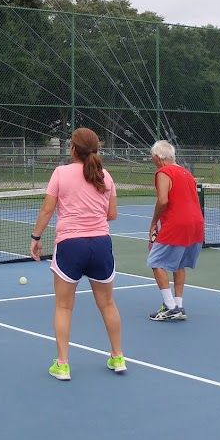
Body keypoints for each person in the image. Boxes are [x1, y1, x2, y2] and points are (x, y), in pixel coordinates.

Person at [29, 127, 125, 380]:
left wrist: (36, 238)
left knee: (63, 306)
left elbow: (47, 210)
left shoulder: (60, 173)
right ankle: (117, 357)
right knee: (107, 303)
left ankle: (62, 364)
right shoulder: (106, 176)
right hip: (101, 245)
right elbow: (112, 214)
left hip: (71, 246)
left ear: (73, 148)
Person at [146, 140, 203, 321]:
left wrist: (154, 223)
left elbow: (163, 200)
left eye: (152, 156)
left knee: (155, 261)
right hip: (197, 223)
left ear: (157, 157)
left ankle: (170, 306)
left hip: (177, 224)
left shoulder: (163, 172)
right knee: (178, 263)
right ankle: (178, 305)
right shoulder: (187, 173)